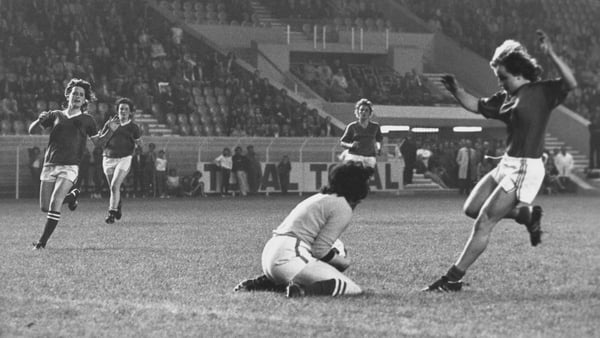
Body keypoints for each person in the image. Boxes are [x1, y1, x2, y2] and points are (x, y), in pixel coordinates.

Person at [423, 30, 577, 291]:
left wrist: (550, 52)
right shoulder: (504, 100)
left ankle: (452, 279)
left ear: (518, 73)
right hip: (507, 163)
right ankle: (527, 216)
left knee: (484, 222)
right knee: (471, 209)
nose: (500, 82)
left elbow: (570, 83)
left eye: (503, 77)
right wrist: (456, 90)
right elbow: (475, 105)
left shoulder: (541, 92)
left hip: (525, 169)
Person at [234, 162, 373, 297]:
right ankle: (301, 290)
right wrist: (344, 262)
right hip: (289, 255)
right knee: (351, 287)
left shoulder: (321, 197)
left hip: (273, 252)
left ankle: (267, 282)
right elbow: (320, 250)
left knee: (337, 247)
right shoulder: (342, 206)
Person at [28, 78, 118, 249]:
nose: (77, 96)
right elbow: (31, 130)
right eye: (75, 93)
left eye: (81, 94)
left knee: (55, 202)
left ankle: (41, 243)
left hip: (70, 166)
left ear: (85, 100)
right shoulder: (55, 115)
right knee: (44, 207)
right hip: (49, 165)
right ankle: (72, 196)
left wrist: (110, 130)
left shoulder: (87, 120)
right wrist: (39, 120)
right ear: (68, 95)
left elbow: (98, 143)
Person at [101, 98, 142, 224]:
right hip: (108, 158)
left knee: (115, 185)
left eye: (126, 109)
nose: (123, 111)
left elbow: (139, 143)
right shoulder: (110, 123)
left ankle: (111, 213)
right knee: (113, 188)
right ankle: (118, 205)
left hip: (124, 158)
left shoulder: (133, 127)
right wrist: (108, 129)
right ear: (117, 110)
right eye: (121, 109)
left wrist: (136, 148)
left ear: (130, 112)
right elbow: (102, 141)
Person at [339, 98, 383, 168]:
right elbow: (342, 142)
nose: (364, 112)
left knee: (368, 178)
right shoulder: (352, 126)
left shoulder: (375, 126)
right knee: (354, 177)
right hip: (355, 156)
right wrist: (351, 146)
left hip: (369, 157)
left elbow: (379, 140)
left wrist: (379, 148)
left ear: (370, 113)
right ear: (357, 112)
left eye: (366, 110)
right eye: (361, 110)